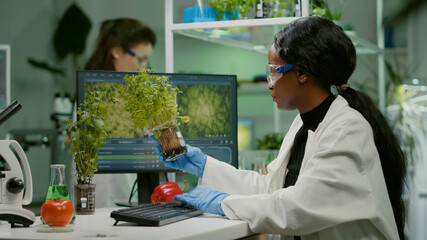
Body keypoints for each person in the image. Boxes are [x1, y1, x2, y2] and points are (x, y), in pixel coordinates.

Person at [155, 16, 406, 239]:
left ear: (301, 74)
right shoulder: (303, 123)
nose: (269, 84)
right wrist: (204, 165)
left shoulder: (347, 129)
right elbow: (271, 188)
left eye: (274, 72)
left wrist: (222, 203)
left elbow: (297, 208)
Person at [84, 18, 156, 207]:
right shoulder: (94, 89)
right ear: (117, 51)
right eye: (140, 58)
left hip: (124, 190)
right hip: (101, 193)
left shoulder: (128, 89)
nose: (144, 67)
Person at [85, 18, 156, 71]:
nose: (144, 68)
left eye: (146, 61)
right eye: (140, 60)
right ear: (117, 51)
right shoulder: (97, 87)